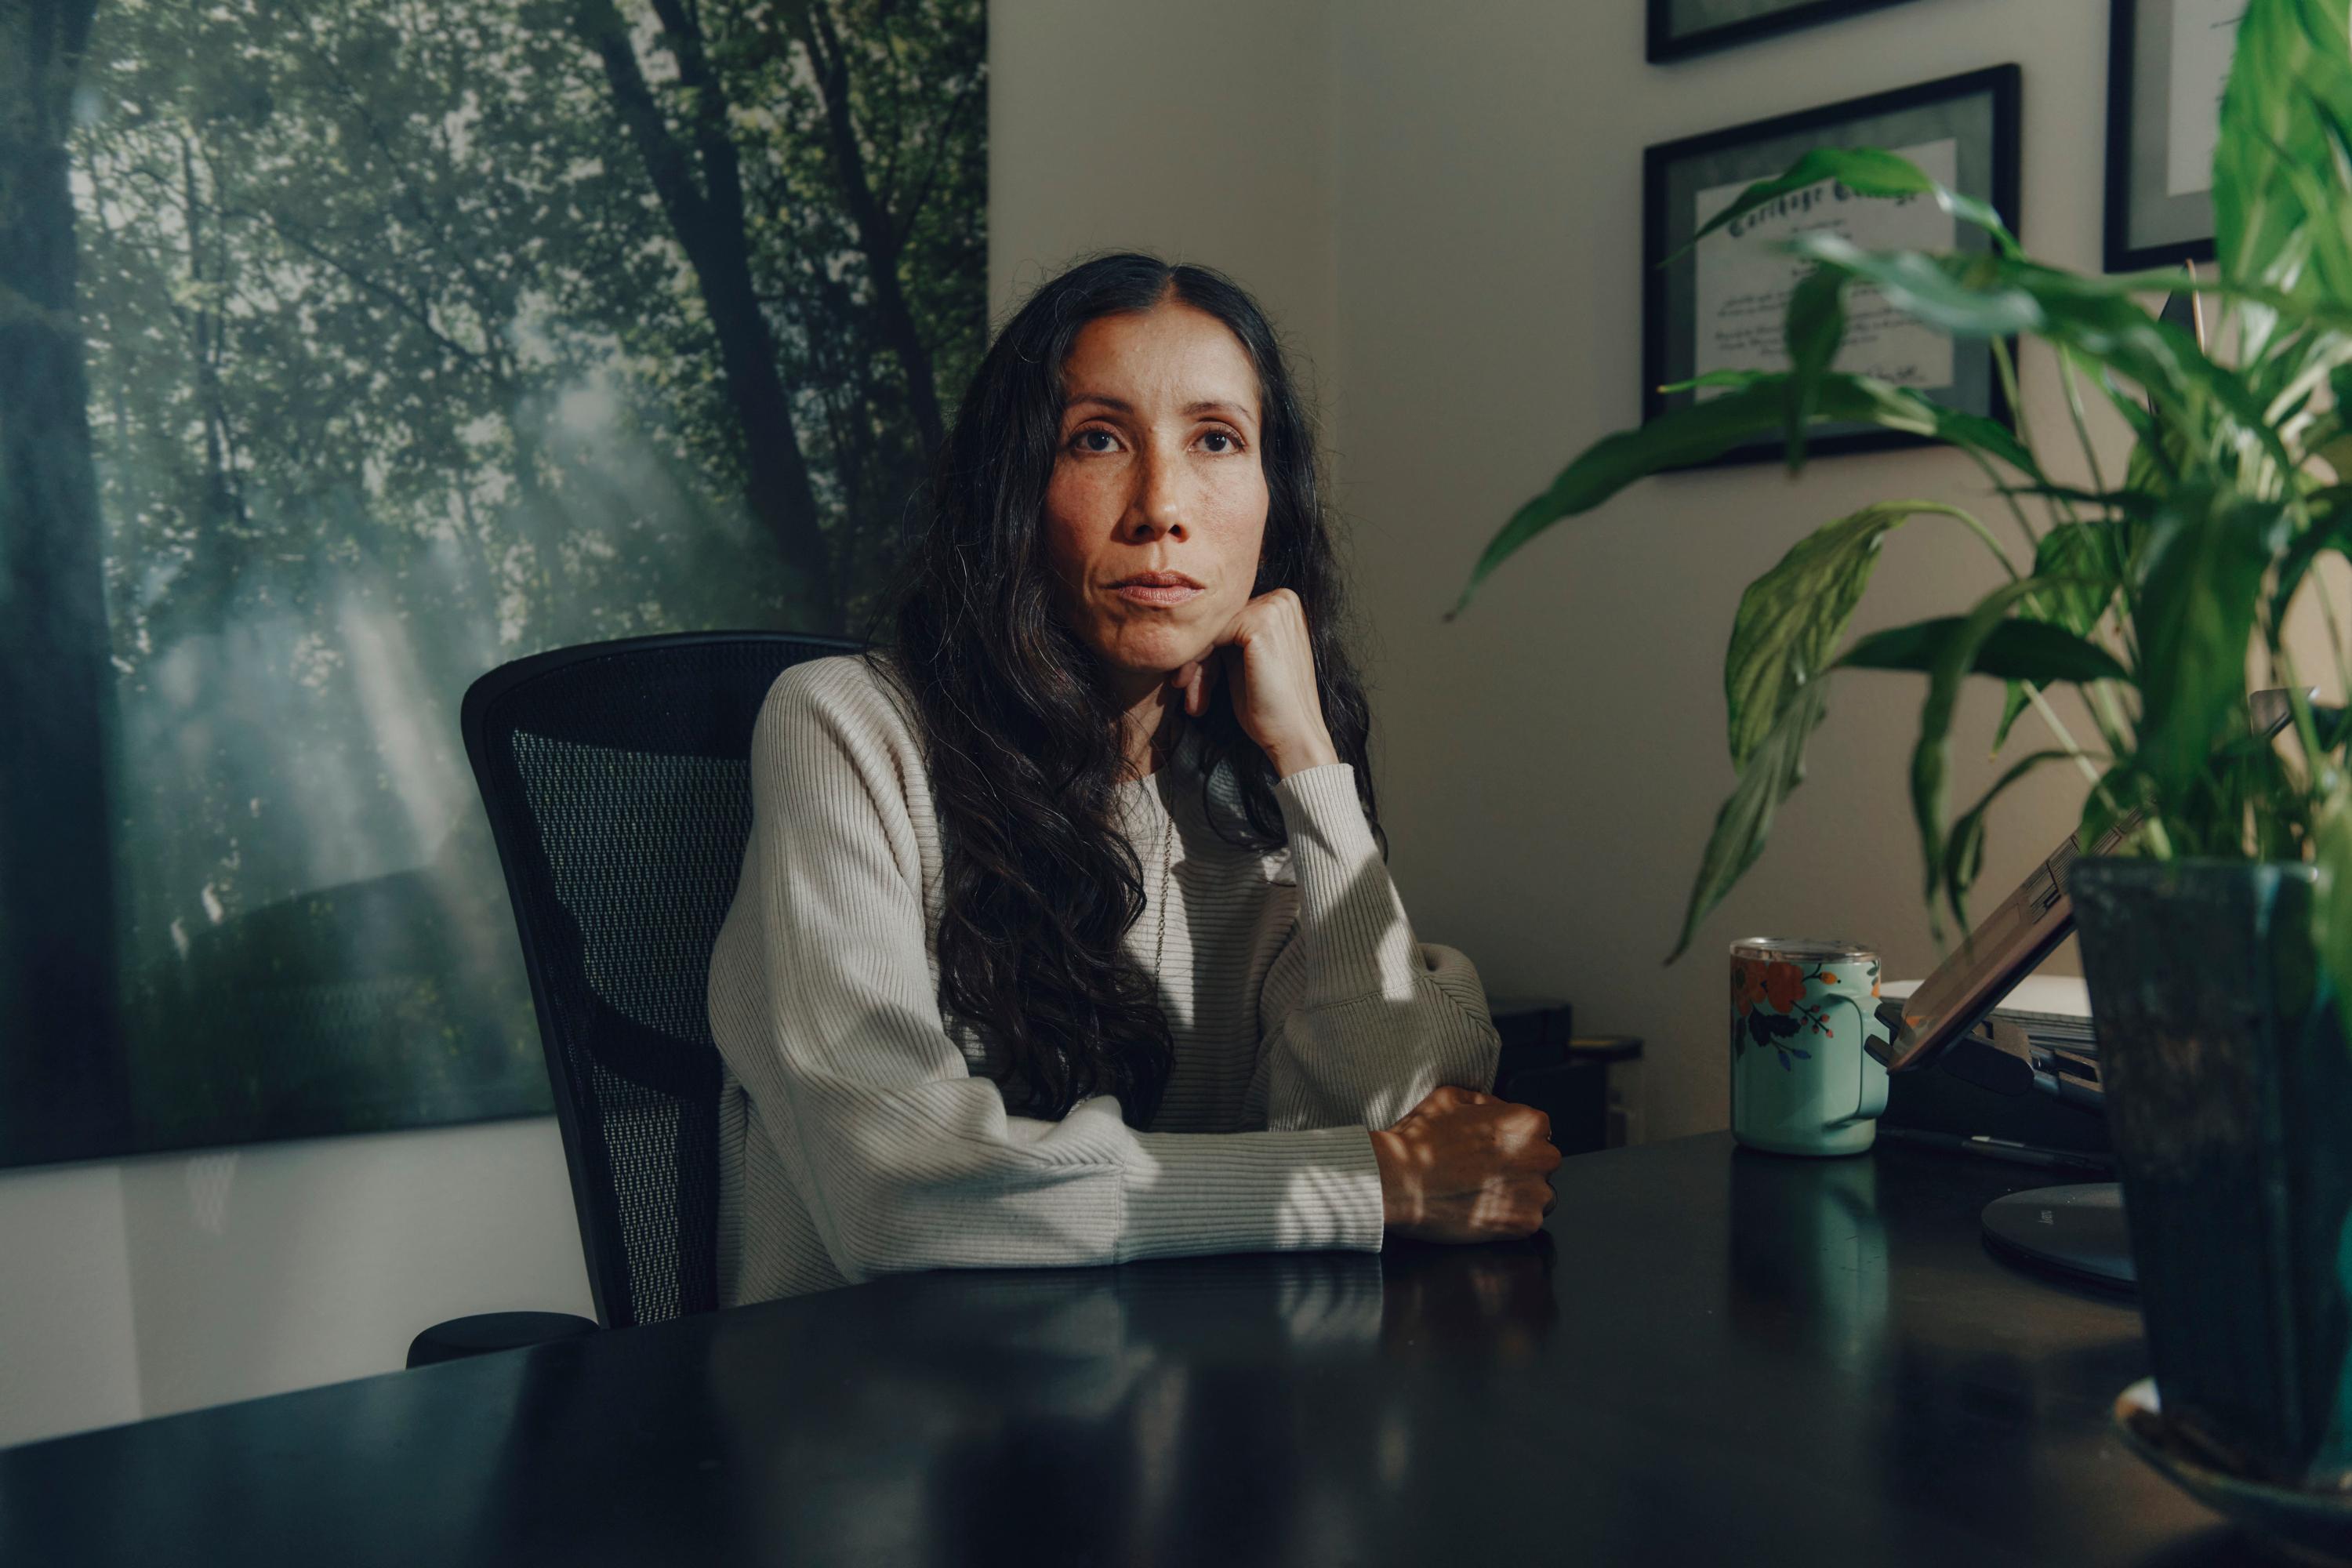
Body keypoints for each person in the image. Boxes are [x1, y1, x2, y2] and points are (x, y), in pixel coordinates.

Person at [705, 252, 1560, 1304]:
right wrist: (1369, 1188)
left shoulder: (1256, 795)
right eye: (1098, 440)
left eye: (1215, 441)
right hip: (879, 1422)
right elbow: (897, 1191)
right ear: (1013, 491)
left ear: (1270, 503)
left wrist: (1311, 759)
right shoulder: (846, 727)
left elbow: (1408, 1111)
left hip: (1176, 1414)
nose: (1162, 505)